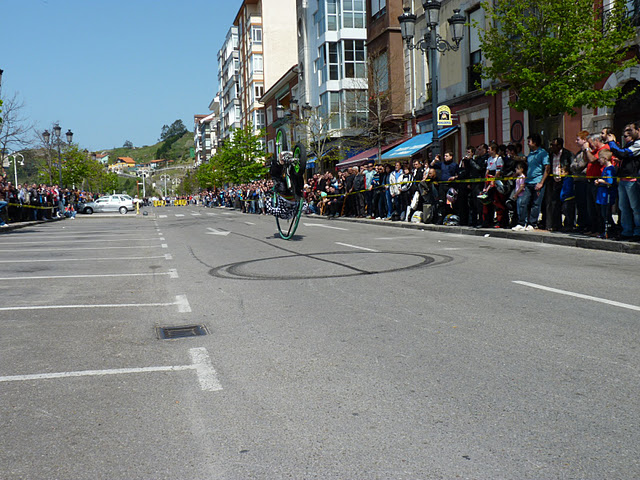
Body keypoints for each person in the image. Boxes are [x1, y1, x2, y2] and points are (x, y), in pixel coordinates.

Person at [605, 122, 640, 241]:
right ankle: (627, 231)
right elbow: (622, 155)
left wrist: (611, 143)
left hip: (632, 179)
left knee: (635, 208)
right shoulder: (629, 144)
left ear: (638, 130)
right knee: (623, 207)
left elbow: (624, 154)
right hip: (623, 179)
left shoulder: (638, 144)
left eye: (630, 131)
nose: (627, 134)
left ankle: (637, 232)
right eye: (625, 132)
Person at [521, 133, 550, 230]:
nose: (528, 144)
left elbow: (547, 168)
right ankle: (521, 223)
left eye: (529, 141)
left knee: (536, 204)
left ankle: (532, 223)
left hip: (537, 182)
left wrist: (541, 182)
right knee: (524, 202)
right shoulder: (530, 154)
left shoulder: (543, 153)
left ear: (535, 142)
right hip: (529, 182)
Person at [266, 151, 306, 219]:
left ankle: (280, 163)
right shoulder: (281, 213)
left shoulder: (288, 213)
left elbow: (304, 206)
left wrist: (269, 196)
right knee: (293, 180)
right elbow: (269, 209)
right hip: (288, 195)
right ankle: (284, 164)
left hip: (288, 195)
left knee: (280, 180)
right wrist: (268, 197)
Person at [594, 149, 617, 239]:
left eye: (600, 158)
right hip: (602, 194)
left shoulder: (610, 169)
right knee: (603, 214)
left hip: (606, 195)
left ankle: (610, 231)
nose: (599, 160)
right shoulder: (605, 169)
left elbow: (610, 182)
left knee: (606, 214)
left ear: (605, 158)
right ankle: (605, 231)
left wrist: (601, 181)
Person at [511, 161, 528, 231]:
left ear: (522, 169)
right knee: (518, 210)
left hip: (521, 195)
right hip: (518, 196)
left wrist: (516, 194)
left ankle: (524, 223)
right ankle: (520, 222)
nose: (516, 169)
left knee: (522, 209)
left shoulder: (522, 177)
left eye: (518, 168)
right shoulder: (518, 177)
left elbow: (521, 187)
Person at [559, 164, 576, 232]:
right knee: (566, 212)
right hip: (565, 198)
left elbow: (568, 189)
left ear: (567, 172)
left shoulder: (569, 179)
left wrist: (564, 195)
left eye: (562, 172)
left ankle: (569, 226)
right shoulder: (565, 179)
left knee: (568, 213)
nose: (560, 173)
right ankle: (566, 225)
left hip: (568, 198)